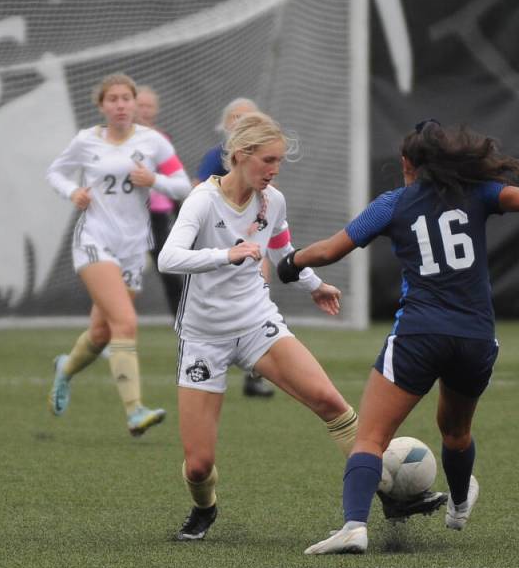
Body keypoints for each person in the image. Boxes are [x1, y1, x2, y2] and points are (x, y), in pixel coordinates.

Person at [279, 119, 519, 555]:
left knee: (370, 439)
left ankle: (353, 526)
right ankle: (458, 506)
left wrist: (291, 262)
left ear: (406, 162)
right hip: (475, 338)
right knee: (456, 432)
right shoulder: (478, 192)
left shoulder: (393, 203)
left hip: (419, 334)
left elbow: (330, 250)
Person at [158, 111, 365, 541]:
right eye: (267, 160)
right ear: (239, 156)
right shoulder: (202, 200)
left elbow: (281, 247)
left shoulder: (274, 200)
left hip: (257, 323)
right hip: (204, 337)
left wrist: (313, 283)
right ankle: (204, 508)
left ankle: (385, 490)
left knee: (332, 403)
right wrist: (224, 256)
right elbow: (168, 258)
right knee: (198, 465)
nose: (273, 170)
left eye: (279, 163)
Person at [46, 73, 191, 436]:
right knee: (125, 322)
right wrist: (72, 192)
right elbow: (56, 172)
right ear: (101, 105)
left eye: (126, 98)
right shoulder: (86, 141)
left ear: (134, 102)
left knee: (100, 331)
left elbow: (182, 185)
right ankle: (134, 410)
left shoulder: (153, 142)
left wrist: (154, 180)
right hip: (94, 240)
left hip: (131, 247)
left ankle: (66, 368)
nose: (121, 105)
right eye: (113, 99)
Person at [194, 97, 277, 398]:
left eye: (250, 118)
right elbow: (198, 196)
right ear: (226, 124)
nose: (242, 123)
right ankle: (211, 364)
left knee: (259, 295)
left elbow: (270, 213)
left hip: (253, 245)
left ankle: (254, 373)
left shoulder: (264, 166)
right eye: (237, 117)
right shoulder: (217, 157)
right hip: (222, 249)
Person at [134, 85, 186, 318]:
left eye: (149, 106)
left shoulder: (163, 138)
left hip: (156, 211)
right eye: (141, 105)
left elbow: (172, 177)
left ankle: (183, 317)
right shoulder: (121, 137)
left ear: (156, 109)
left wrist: (179, 209)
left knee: (166, 264)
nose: (145, 110)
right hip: (128, 211)